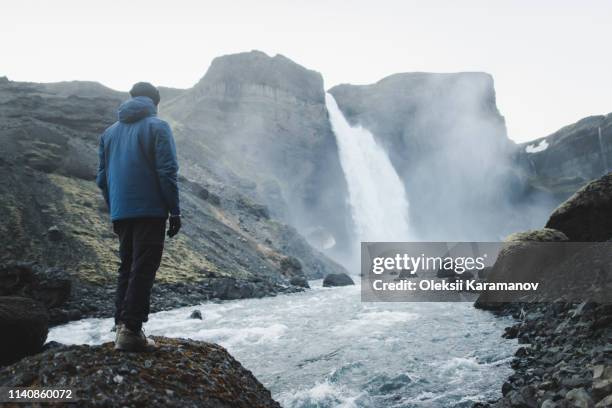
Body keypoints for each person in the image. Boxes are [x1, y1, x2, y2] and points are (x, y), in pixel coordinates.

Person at [96, 82, 181, 352]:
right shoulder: (158, 126)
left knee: (127, 267)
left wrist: (115, 209)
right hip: (150, 210)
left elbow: (101, 179)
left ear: (131, 99)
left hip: (122, 212)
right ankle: (131, 330)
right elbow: (167, 171)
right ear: (155, 103)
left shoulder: (108, 134)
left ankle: (122, 326)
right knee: (143, 268)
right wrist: (174, 211)